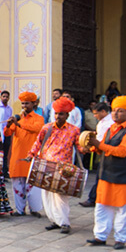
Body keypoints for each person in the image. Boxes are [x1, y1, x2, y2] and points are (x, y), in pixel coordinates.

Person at [83, 95, 126, 249]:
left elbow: (122, 151)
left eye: (120, 111)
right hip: (106, 173)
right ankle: (100, 236)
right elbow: (103, 148)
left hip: (124, 175)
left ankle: (120, 239)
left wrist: (99, 145)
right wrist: (91, 147)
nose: (115, 114)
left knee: (123, 208)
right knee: (102, 205)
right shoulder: (110, 129)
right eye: (114, 110)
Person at [28, 97, 80, 233]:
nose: (58, 116)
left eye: (61, 114)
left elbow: (80, 148)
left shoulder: (74, 130)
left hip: (64, 168)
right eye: (56, 113)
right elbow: (38, 143)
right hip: (46, 165)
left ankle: (64, 223)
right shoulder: (47, 127)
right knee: (47, 195)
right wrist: (31, 154)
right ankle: (54, 220)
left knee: (61, 196)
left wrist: (90, 145)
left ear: (67, 115)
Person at [4, 92, 44, 216]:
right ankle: (20, 210)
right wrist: (9, 124)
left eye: (27, 103)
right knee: (17, 184)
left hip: (32, 156)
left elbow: (36, 129)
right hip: (18, 155)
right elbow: (7, 133)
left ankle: (35, 209)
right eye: (23, 103)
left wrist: (19, 123)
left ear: (34, 104)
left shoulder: (39, 118)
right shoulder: (18, 117)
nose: (24, 106)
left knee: (32, 185)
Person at [79, 102, 112, 207]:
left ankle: (92, 198)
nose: (94, 116)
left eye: (96, 113)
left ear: (103, 112)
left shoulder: (109, 123)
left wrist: (91, 147)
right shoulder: (101, 122)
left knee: (100, 176)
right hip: (102, 151)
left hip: (107, 152)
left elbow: (101, 141)